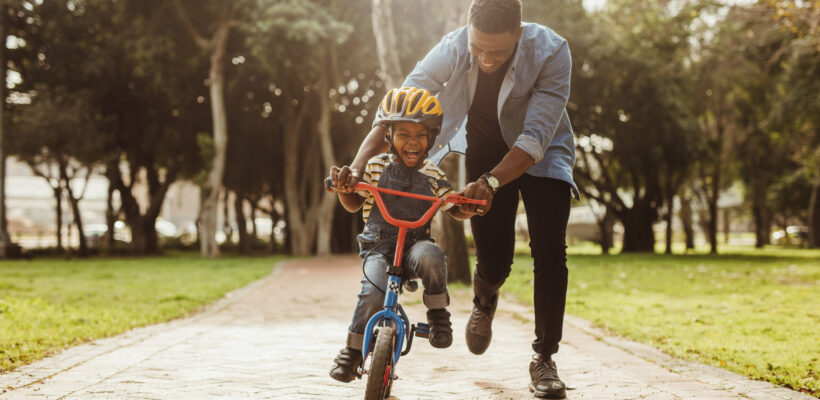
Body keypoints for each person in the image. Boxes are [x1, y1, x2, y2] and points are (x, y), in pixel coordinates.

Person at [332, 1, 578, 397]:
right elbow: (399, 107)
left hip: (542, 153)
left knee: (549, 251)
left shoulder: (551, 51)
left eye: (497, 51)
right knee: (494, 258)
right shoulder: (453, 46)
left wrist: (493, 182)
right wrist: (359, 166)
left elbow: (534, 137)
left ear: (519, 33)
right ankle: (485, 299)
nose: (485, 58)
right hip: (484, 147)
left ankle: (545, 359)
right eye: (478, 47)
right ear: (468, 33)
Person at [328, 87, 474, 383]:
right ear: (389, 137)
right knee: (373, 291)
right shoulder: (374, 166)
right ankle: (352, 351)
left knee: (432, 257)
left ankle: (437, 314)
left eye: (421, 135)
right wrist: (345, 190)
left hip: (415, 246)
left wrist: (468, 206)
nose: (412, 142)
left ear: (432, 137)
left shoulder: (433, 174)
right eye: (403, 134)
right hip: (378, 247)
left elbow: (452, 206)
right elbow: (354, 202)